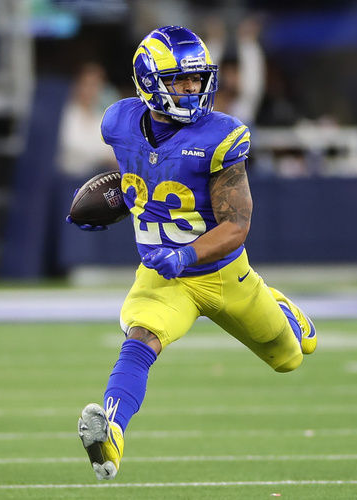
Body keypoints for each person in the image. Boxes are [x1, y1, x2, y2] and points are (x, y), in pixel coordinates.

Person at [67, 26, 317, 481]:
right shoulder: (119, 123)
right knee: (141, 340)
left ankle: (282, 308)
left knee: (289, 357)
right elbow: (139, 180)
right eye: (181, 80)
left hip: (221, 272)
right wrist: (121, 200)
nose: (192, 89)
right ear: (149, 82)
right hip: (162, 279)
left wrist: (184, 256)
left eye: (197, 79)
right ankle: (111, 435)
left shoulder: (221, 136)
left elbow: (236, 226)